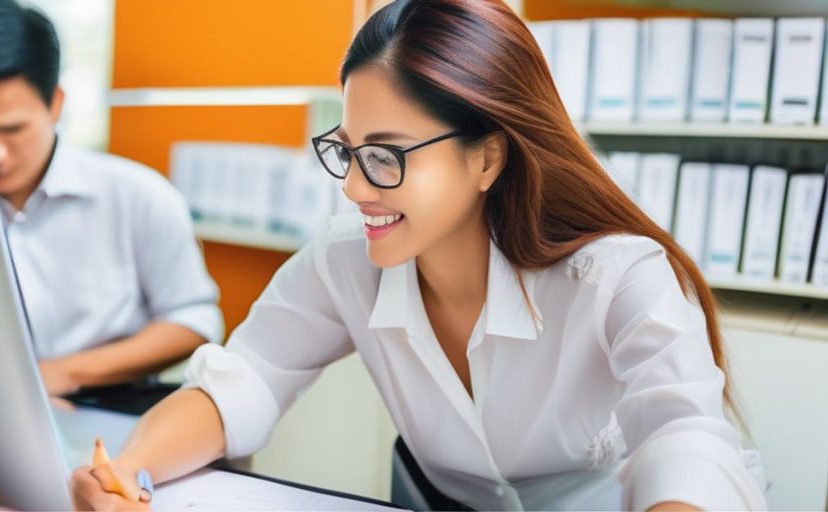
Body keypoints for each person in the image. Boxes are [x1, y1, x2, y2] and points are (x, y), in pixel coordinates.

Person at [71, 0, 765, 510]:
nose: (350, 183)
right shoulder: (344, 261)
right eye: (346, 150)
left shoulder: (617, 275)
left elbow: (685, 439)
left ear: (488, 155)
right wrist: (130, 469)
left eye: (385, 155)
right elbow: (242, 381)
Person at [0, 0, 224, 401]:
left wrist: (62, 374)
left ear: (56, 103)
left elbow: (195, 320)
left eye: (11, 128)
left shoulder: (139, 197)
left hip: (100, 403)